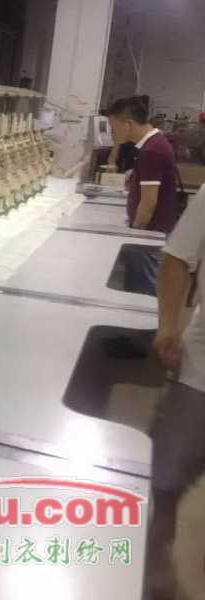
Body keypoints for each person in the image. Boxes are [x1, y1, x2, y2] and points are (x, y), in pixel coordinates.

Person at [147, 187, 205, 599]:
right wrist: (168, 326)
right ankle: (154, 573)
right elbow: (177, 257)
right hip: (201, 374)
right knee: (165, 482)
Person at [108, 96, 182, 295]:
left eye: (114, 128)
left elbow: (149, 202)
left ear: (128, 124)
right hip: (154, 232)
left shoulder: (152, 150)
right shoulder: (154, 143)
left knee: (141, 291)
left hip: (149, 236)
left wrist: (134, 232)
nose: (113, 133)